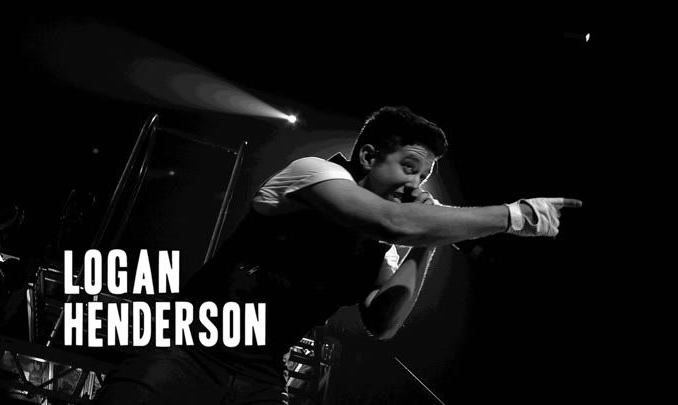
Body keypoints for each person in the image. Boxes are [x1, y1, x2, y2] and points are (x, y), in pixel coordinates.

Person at [94, 106, 581, 404]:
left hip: (261, 373)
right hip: (186, 350)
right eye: (409, 167)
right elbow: (391, 221)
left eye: (424, 177)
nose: (416, 185)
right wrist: (514, 215)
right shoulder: (313, 173)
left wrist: (424, 243)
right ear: (369, 157)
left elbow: (383, 322)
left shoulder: (383, 248)